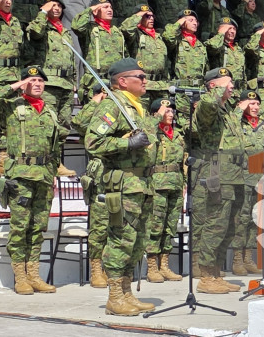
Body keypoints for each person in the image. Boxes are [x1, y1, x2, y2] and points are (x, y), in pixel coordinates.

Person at [85, 58, 158, 315]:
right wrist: (126, 144)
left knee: (137, 241)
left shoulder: (138, 107)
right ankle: (115, 297)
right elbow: (92, 143)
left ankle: (127, 293)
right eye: (140, 75)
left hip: (143, 183)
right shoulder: (113, 106)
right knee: (121, 240)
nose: (145, 79)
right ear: (123, 81)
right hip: (124, 183)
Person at [0, 67, 65, 294]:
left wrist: (52, 173)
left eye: (41, 80)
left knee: (38, 227)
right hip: (21, 175)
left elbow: (55, 146)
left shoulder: (49, 110)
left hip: (44, 175)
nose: (37, 83)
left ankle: (34, 275)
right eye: (32, 80)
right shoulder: (11, 106)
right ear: (24, 82)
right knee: (20, 226)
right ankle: (20, 277)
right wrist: (14, 86)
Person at [188, 67, 248, 294]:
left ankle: (215, 272)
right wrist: (216, 91)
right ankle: (205, 276)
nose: (232, 86)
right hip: (217, 171)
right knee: (215, 224)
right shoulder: (208, 108)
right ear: (213, 85)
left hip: (234, 173)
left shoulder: (227, 110)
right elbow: (206, 105)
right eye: (227, 82)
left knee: (230, 225)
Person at [26, 0, 77, 176]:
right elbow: (35, 33)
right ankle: (43, 163)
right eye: (52, 5)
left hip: (65, 83)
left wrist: (73, 81)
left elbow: (71, 59)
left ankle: (56, 163)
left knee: (63, 126)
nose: (56, 8)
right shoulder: (41, 25)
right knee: (47, 124)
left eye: (58, 6)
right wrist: (42, 12)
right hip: (48, 82)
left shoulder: (65, 31)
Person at [71, 81, 109, 287]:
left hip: (121, 173)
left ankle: (111, 268)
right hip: (100, 172)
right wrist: (95, 103)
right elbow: (78, 124)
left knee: (118, 226)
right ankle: (96, 269)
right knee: (100, 225)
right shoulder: (93, 115)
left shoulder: (118, 113)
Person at [144, 98, 185, 283]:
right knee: (155, 226)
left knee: (170, 226)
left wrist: (183, 183)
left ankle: (164, 265)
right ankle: (152, 267)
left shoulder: (176, 135)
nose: (170, 114)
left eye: (171, 111)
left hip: (175, 184)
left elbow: (182, 162)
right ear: (156, 114)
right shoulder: (152, 134)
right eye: (165, 111)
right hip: (157, 185)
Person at [0, 0, 23, 177]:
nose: (8, 0)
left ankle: (3, 156)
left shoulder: (15, 21)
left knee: (8, 116)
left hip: (13, 74)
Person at [231, 90, 264, 276]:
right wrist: (239, 109)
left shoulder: (263, 125)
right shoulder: (237, 123)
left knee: (254, 219)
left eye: (257, 104)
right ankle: (237, 259)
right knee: (241, 219)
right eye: (251, 104)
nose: (255, 107)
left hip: (260, 178)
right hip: (243, 177)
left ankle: (248, 257)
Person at [71, 0, 128, 103]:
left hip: (116, 82)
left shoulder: (116, 31)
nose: (110, 10)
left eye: (110, 7)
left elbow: (125, 54)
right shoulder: (89, 29)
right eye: (105, 7)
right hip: (96, 81)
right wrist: (91, 9)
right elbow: (77, 26)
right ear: (96, 11)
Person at [120, 5, 171, 108]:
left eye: (152, 16)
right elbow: (125, 29)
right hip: (143, 84)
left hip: (160, 85)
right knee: (143, 117)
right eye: (147, 16)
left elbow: (164, 62)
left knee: (161, 117)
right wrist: (138, 15)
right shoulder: (135, 35)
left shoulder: (158, 36)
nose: (151, 18)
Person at [204, 17, 246, 95]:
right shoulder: (216, 45)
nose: (232, 31)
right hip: (222, 91)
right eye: (229, 28)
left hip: (237, 92)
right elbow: (213, 47)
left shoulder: (238, 49)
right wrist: (220, 33)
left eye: (234, 29)